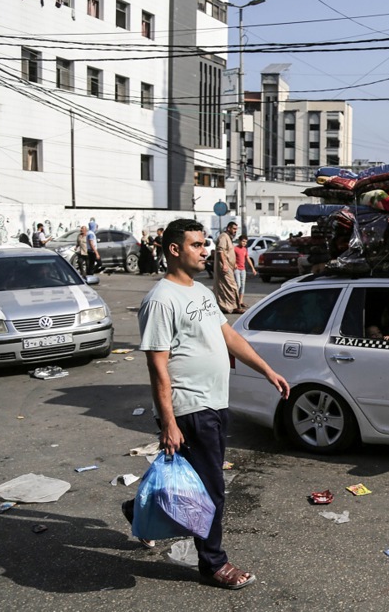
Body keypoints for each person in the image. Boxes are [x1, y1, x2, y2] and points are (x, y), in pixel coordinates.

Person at [123, 218, 290, 590]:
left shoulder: (198, 290)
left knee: (194, 481)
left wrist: (266, 369)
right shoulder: (160, 300)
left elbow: (226, 334)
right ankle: (213, 563)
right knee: (212, 488)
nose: (205, 250)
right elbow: (157, 366)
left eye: (205, 244)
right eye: (197, 244)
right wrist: (168, 422)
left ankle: (138, 511)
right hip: (189, 408)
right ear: (174, 250)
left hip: (215, 402)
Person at [213, 221, 241, 314]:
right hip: (224, 266)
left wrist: (234, 263)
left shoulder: (228, 238)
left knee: (228, 286)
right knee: (231, 286)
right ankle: (233, 307)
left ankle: (230, 306)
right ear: (228, 228)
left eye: (236, 229)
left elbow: (228, 252)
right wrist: (224, 264)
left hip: (229, 266)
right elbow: (220, 251)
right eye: (234, 229)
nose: (235, 231)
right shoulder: (223, 236)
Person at [232, 234, 257, 310]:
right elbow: (231, 257)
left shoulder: (244, 249)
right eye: (243, 241)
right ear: (239, 241)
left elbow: (248, 258)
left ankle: (240, 302)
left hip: (243, 269)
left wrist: (253, 268)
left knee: (243, 285)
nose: (244, 243)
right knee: (238, 285)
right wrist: (234, 264)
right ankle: (234, 302)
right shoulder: (235, 248)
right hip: (236, 269)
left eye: (246, 242)